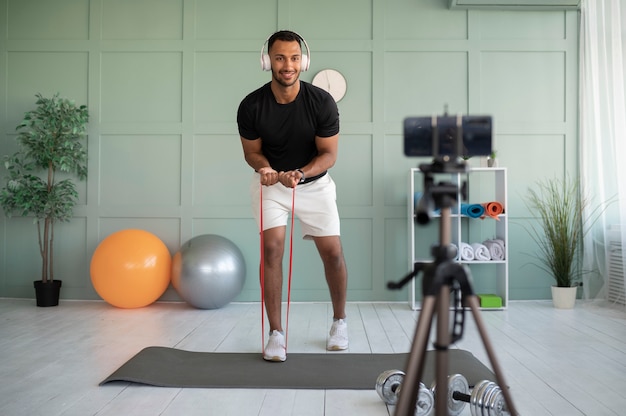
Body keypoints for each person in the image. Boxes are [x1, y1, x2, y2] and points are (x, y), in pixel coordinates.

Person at [237, 30, 348, 362]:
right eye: (280, 57)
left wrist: (302, 173)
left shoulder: (321, 102)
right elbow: (251, 153)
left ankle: (340, 322)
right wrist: (266, 169)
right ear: (267, 60)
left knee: (332, 253)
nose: (288, 65)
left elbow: (329, 154)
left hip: (314, 185)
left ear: (304, 61)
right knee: (271, 248)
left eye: (294, 58)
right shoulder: (251, 106)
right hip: (271, 186)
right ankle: (276, 334)